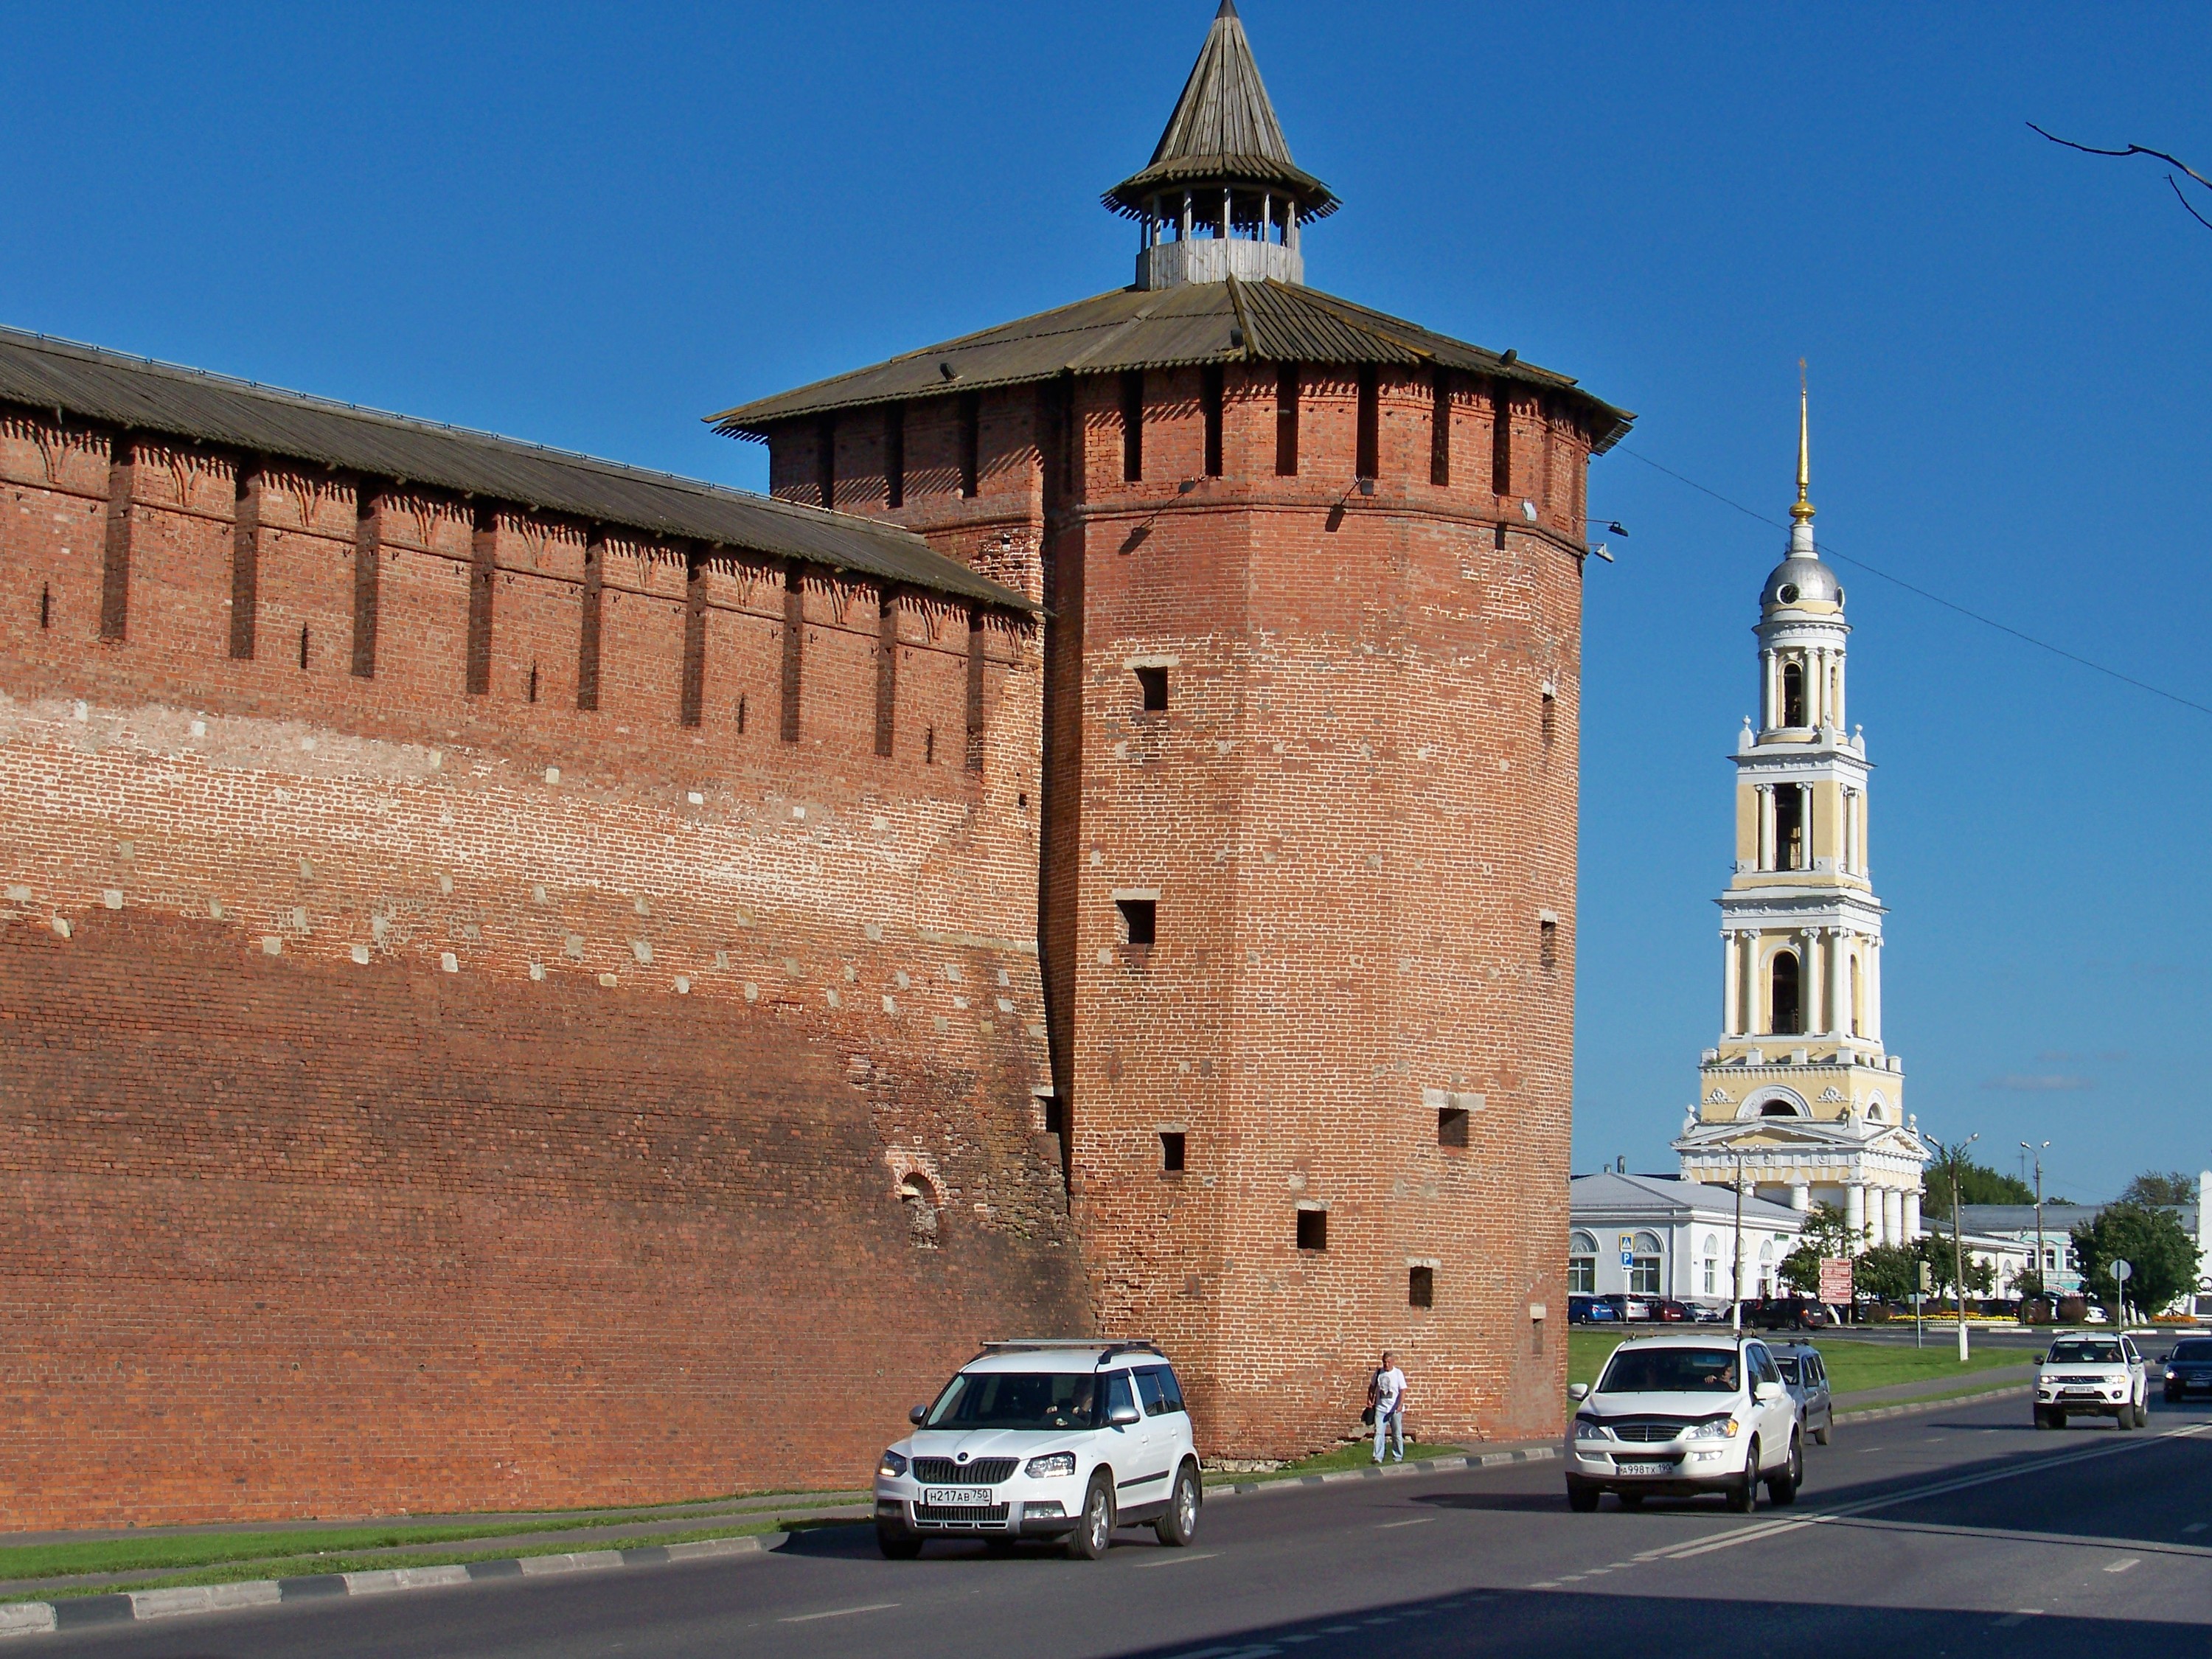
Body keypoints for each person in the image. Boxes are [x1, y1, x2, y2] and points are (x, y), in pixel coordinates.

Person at [1368, 1352, 1408, 1464]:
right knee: (1379, 1433)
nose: (1386, 1365)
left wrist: (1400, 1404)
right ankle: (1377, 1457)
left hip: (1394, 1409)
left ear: (1393, 1362)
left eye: (1389, 1362)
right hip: (1381, 1409)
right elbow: (1371, 1387)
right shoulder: (1379, 1373)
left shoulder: (1398, 1373)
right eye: (1385, 1362)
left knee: (1397, 1433)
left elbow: (1403, 1390)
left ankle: (1398, 1456)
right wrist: (1370, 1400)